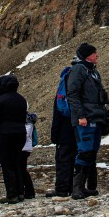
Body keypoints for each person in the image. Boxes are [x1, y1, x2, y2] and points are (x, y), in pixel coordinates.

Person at [66, 43, 109, 200]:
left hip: (96, 117)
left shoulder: (93, 71)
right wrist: (80, 115)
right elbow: (72, 93)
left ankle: (83, 187)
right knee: (84, 151)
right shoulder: (79, 70)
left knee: (91, 152)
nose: (97, 55)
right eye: (94, 53)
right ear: (87, 55)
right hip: (86, 118)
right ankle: (76, 188)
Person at [0, 74, 28, 204]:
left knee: (7, 164)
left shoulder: (1, 100)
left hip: (5, 134)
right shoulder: (21, 99)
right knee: (17, 163)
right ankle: (21, 192)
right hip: (21, 133)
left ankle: (11, 194)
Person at [47, 68, 76, 198]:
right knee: (78, 159)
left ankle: (62, 189)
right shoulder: (80, 87)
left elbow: (57, 114)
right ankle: (77, 187)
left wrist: (54, 134)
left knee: (63, 160)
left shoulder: (62, 90)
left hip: (64, 131)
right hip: (79, 128)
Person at [20, 112, 38, 199]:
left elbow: (25, 134)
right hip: (26, 147)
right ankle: (28, 191)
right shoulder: (30, 119)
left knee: (20, 169)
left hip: (22, 147)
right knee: (22, 169)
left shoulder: (26, 120)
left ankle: (28, 191)